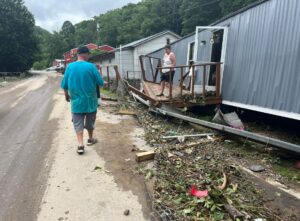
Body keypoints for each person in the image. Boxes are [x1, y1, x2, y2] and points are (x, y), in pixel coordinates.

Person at [61, 46, 104, 155]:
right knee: (90, 122)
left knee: (78, 123)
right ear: (84, 54)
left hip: (76, 102)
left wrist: (66, 95)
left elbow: (65, 84)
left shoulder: (69, 67)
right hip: (90, 102)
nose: (89, 56)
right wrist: (100, 76)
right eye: (88, 54)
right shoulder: (91, 67)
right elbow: (100, 82)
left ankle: (80, 145)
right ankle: (90, 139)